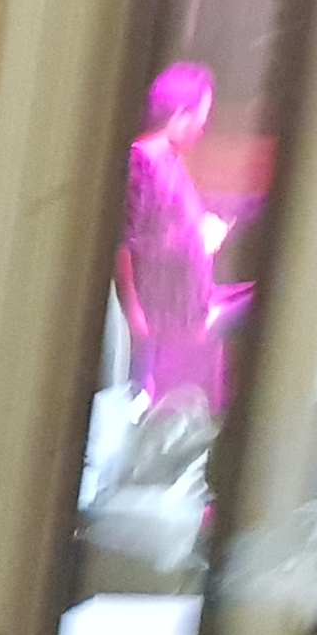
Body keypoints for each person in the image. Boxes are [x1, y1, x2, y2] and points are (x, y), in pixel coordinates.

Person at [120, 61, 236, 415]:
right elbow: (129, 241)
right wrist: (134, 312)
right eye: (201, 116)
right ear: (181, 114)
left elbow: (172, 223)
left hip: (188, 307)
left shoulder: (169, 160)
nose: (203, 127)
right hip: (165, 317)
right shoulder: (144, 161)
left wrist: (201, 230)